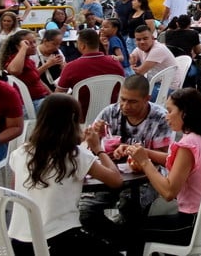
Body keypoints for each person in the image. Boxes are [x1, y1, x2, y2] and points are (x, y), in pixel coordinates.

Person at [8, 94, 122, 256]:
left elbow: (15, 188)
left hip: (20, 243)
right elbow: (116, 180)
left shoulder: (20, 153)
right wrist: (98, 148)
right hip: (61, 239)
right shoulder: (74, 155)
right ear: (73, 121)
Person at [125, 88, 201, 254]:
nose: (166, 116)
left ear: (185, 113)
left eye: (170, 111)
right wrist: (146, 152)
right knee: (139, 223)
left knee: (133, 232)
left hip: (196, 226)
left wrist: (144, 162)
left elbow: (168, 192)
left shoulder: (187, 145)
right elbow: (176, 162)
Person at [80, 75, 173, 241]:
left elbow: (164, 160)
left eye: (133, 101)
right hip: (111, 176)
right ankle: (122, 241)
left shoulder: (160, 118)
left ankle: (128, 241)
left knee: (129, 204)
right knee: (86, 211)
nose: (125, 106)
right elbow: (87, 150)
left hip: (146, 180)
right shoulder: (110, 113)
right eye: (122, 99)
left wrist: (137, 153)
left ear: (147, 99)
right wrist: (97, 137)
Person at [55, 29, 125, 92]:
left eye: (77, 43)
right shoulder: (115, 63)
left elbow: (59, 94)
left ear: (82, 46)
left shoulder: (71, 67)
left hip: (81, 106)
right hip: (111, 105)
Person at [0, 30, 52, 111]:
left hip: (41, 98)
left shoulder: (29, 60)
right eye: (28, 43)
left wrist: (52, 95)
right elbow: (14, 70)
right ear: (18, 47)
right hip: (30, 103)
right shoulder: (15, 59)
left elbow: (39, 81)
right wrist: (23, 48)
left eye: (34, 42)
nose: (34, 45)